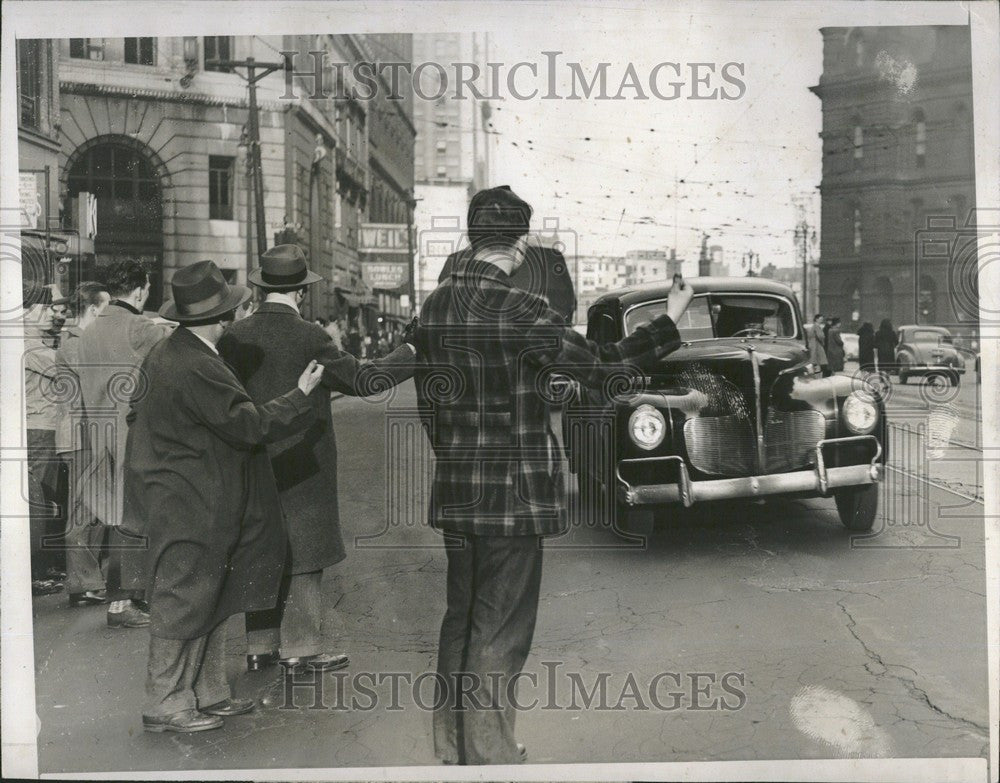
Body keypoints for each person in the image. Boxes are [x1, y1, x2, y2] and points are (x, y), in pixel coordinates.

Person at [414, 186, 692, 765]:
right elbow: (604, 364)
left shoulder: (435, 307)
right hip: (513, 497)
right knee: (502, 626)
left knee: (460, 619)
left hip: (458, 490)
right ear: (518, 247)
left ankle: (452, 747)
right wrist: (670, 320)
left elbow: (429, 402)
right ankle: (490, 755)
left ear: (472, 239)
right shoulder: (521, 311)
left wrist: (454, 455)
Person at [123, 260, 326, 734]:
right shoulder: (198, 364)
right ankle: (166, 702)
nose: (233, 319)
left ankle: (206, 692)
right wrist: (299, 394)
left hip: (182, 494)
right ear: (219, 319)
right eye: (230, 312)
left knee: (205, 594)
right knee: (184, 598)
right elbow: (249, 424)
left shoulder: (171, 353)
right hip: (192, 500)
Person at [218, 244, 418, 674]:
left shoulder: (234, 336)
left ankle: (259, 646)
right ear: (302, 292)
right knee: (306, 553)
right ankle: (301, 648)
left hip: (252, 456)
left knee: (261, 548)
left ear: (260, 287)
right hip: (304, 461)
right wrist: (411, 352)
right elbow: (366, 380)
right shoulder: (311, 337)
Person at [76, 258, 173, 628]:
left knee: (118, 518)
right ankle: (123, 603)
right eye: (146, 289)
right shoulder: (138, 327)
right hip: (133, 434)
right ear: (137, 291)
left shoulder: (90, 330)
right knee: (134, 519)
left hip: (100, 433)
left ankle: (127, 600)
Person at [54, 282, 113, 606]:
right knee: (81, 510)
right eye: (106, 310)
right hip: (79, 436)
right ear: (93, 310)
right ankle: (83, 583)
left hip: (88, 433)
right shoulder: (76, 343)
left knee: (94, 508)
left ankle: (90, 581)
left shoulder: (81, 341)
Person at [22, 284, 67, 595]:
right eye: (46, 306)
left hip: (43, 428)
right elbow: (66, 368)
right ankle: (34, 571)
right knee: (40, 501)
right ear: (27, 310)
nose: (52, 312)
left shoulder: (35, 344)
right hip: (39, 430)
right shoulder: (30, 347)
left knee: (44, 500)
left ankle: (41, 566)